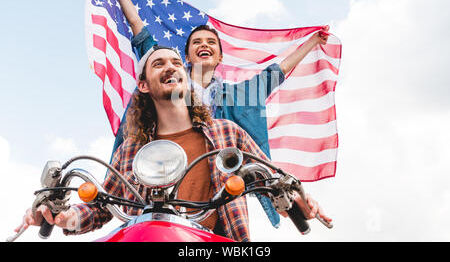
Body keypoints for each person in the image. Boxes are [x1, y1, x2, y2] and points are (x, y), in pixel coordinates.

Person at [103, 0, 330, 228]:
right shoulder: (167, 80)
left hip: (217, 202)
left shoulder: (234, 105)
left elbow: (275, 74)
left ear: (220, 57)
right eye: (197, 41)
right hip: (160, 191)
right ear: (186, 55)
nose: (204, 44)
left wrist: (311, 42)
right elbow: (140, 32)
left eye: (211, 42)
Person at [16, 46, 332, 241]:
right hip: (145, 237)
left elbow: (270, 180)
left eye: (176, 62)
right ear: (143, 85)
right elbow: (101, 207)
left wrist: (296, 199)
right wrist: (63, 215)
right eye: (159, 64)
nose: (171, 66)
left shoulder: (226, 133)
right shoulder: (130, 148)